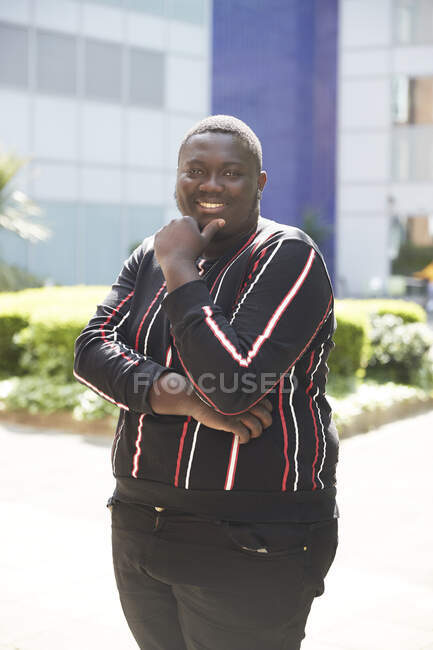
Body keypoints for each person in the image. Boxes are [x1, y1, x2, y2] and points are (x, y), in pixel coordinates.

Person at [74, 115, 339, 650]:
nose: (210, 185)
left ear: (259, 183)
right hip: (140, 522)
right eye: (196, 170)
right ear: (178, 178)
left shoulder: (286, 256)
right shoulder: (150, 255)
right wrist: (188, 401)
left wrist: (179, 268)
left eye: (231, 172)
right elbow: (91, 350)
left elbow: (235, 384)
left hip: (252, 537)